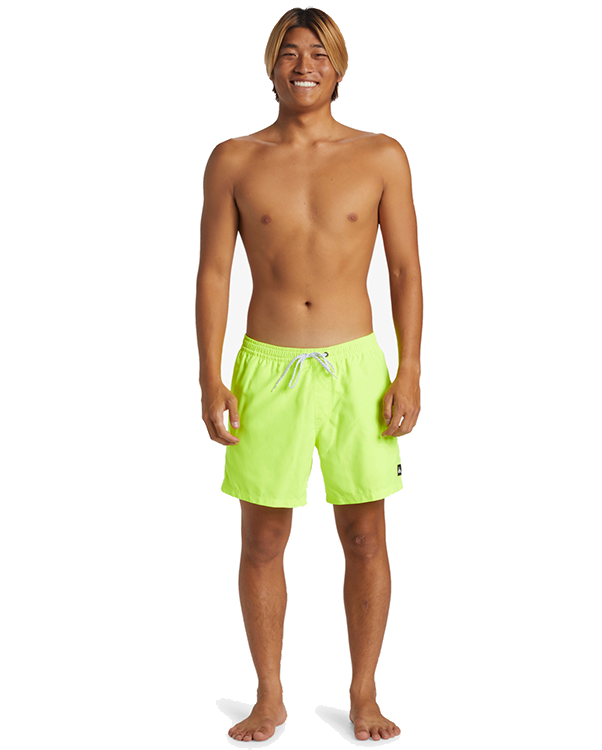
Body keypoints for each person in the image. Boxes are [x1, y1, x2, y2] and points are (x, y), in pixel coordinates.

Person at [196, 7, 422, 742]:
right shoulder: (234, 159)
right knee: (262, 540)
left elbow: (405, 269)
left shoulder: (381, 155)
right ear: (271, 65)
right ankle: (269, 696)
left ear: (339, 67)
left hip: (358, 367)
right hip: (267, 367)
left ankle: (364, 695)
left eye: (319, 54)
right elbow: (213, 273)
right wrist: (209, 376)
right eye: (291, 53)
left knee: (365, 536)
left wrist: (410, 367)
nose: (304, 65)